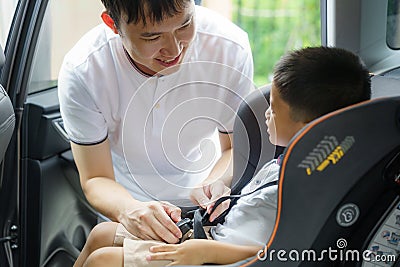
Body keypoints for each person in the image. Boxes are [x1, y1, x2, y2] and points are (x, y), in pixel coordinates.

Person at [72, 46, 372, 266]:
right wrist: (220, 196)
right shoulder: (289, 162)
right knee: (102, 234)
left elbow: (284, 251)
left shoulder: (308, 187)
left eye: (274, 109)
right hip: (212, 241)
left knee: (104, 262)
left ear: (311, 128)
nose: (266, 114)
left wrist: (206, 252)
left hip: (223, 259)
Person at [58, 0, 255, 245]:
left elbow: (235, 148)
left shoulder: (230, 48)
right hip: (126, 207)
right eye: (152, 37)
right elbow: (96, 178)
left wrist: (216, 183)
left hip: (204, 206)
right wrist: (130, 211)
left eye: (184, 25)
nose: (173, 50)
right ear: (112, 24)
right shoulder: (84, 71)